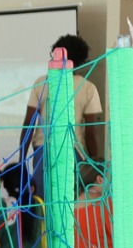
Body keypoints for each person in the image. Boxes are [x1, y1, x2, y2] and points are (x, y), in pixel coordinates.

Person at [21, 33, 103, 161]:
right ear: (81, 60)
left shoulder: (41, 83)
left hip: (43, 150)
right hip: (73, 152)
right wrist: (94, 164)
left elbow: (28, 124)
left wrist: (21, 160)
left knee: (46, 181)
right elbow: (90, 132)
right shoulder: (88, 87)